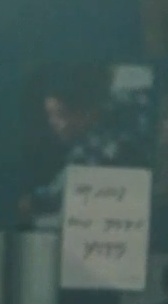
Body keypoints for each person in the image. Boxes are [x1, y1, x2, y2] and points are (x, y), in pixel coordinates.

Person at [21, 66, 150, 219]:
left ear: (88, 112)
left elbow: (57, 193)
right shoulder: (94, 133)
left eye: (60, 114)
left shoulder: (97, 149)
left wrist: (32, 202)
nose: (53, 123)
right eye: (50, 115)